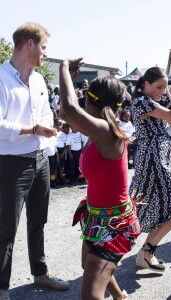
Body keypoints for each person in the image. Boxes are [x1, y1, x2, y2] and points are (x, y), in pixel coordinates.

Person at [59, 58, 140, 300]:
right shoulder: (100, 129)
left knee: (91, 295)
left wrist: (64, 67)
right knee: (89, 265)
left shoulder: (106, 132)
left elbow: (70, 110)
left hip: (114, 226)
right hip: (97, 218)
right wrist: (71, 79)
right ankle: (120, 297)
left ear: (90, 100)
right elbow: (66, 111)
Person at [0, 22, 69, 300]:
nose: (44, 53)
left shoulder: (39, 80)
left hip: (40, 160)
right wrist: (33, 130)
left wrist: (48, 128)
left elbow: (46, 116)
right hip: (10, 163)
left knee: (38, 221)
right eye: (43, 47)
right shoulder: (1, 77)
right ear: (28, 44)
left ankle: (40, 273)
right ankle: (2, 287)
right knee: (6, 226)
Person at [129, 64, 171, 273]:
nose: (162, 92)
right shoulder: (142, 102)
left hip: (158, 158)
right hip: (153, 160)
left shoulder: (147, 101)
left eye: (165, 88)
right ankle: (144, 251)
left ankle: (146, 253)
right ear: (146, 84)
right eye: (159, 87)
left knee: (165, 207)